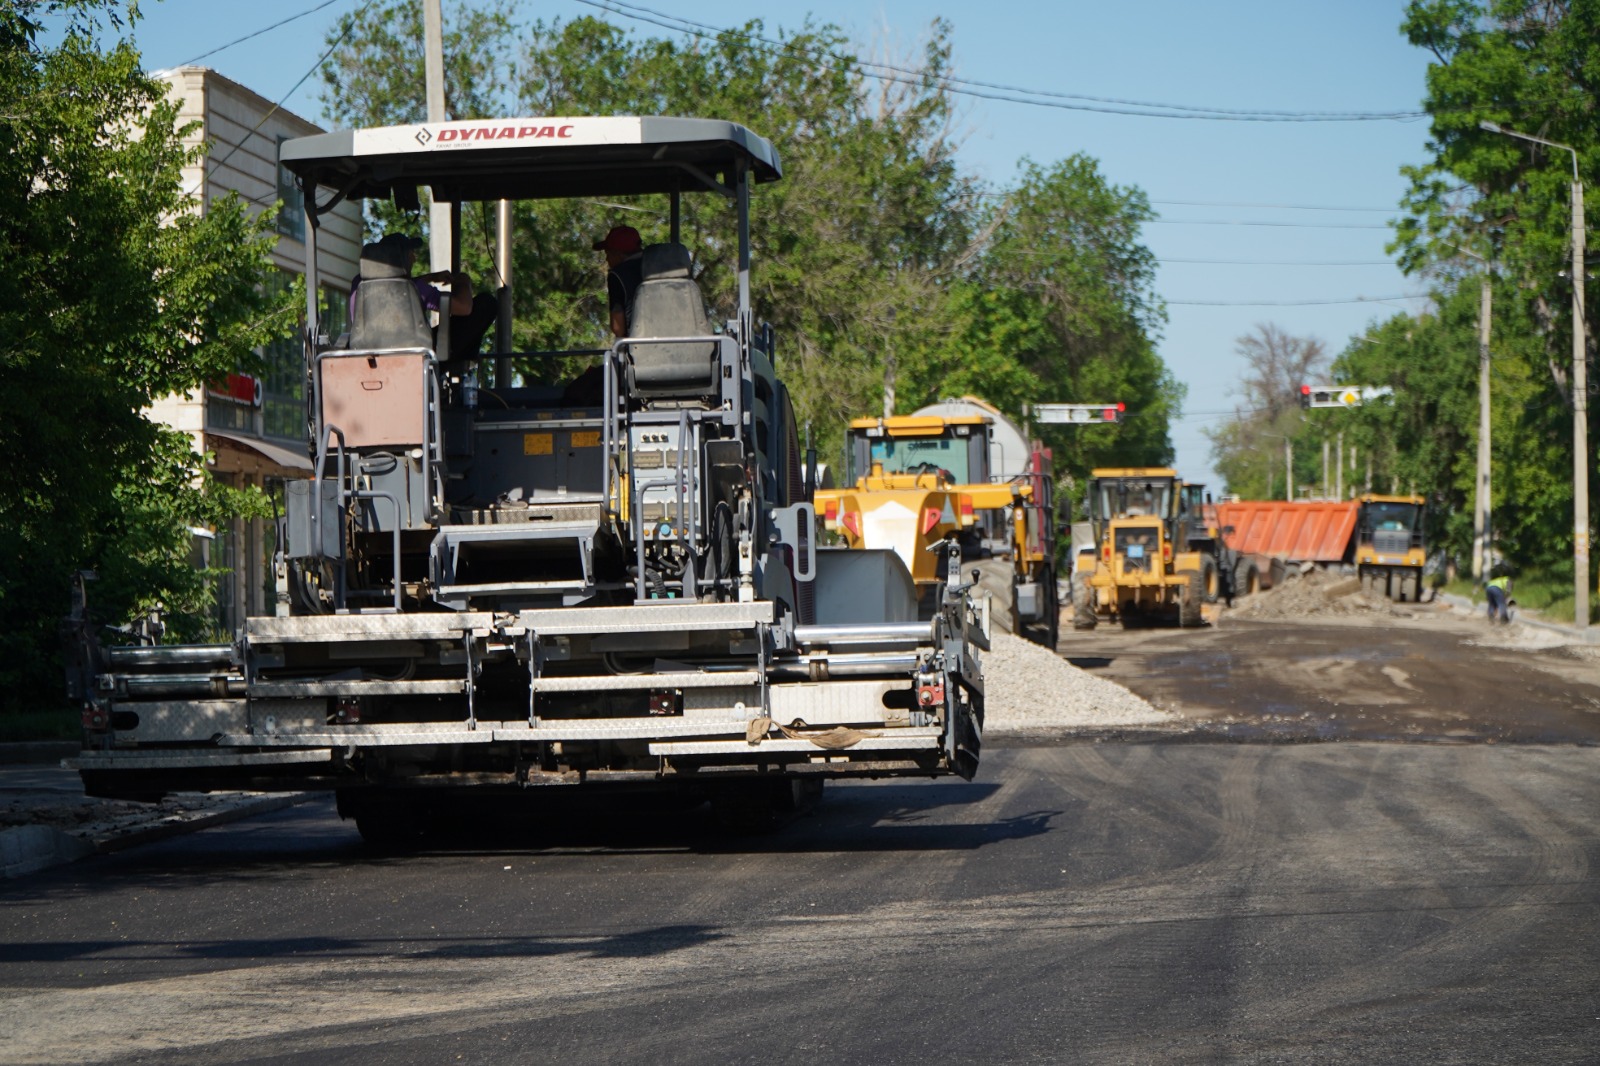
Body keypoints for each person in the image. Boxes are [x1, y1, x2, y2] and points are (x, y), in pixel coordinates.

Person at [350, 233, 497, 360]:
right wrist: (463, 281)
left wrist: (430, 277)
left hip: (367, 352)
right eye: (410, 254)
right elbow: (464, 308)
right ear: (400, 258)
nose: (414, 259)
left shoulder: (358, 284)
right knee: (487, 304)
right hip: (418, 355)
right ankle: (465, 361)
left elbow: (394, 284)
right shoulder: (417, 289)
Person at [593, 224, 644, 339]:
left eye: (607, 254)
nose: (606, 259)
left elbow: (618, 326)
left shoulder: (617, 275)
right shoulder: (665, 267)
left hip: (639, 346)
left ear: (617, 253)